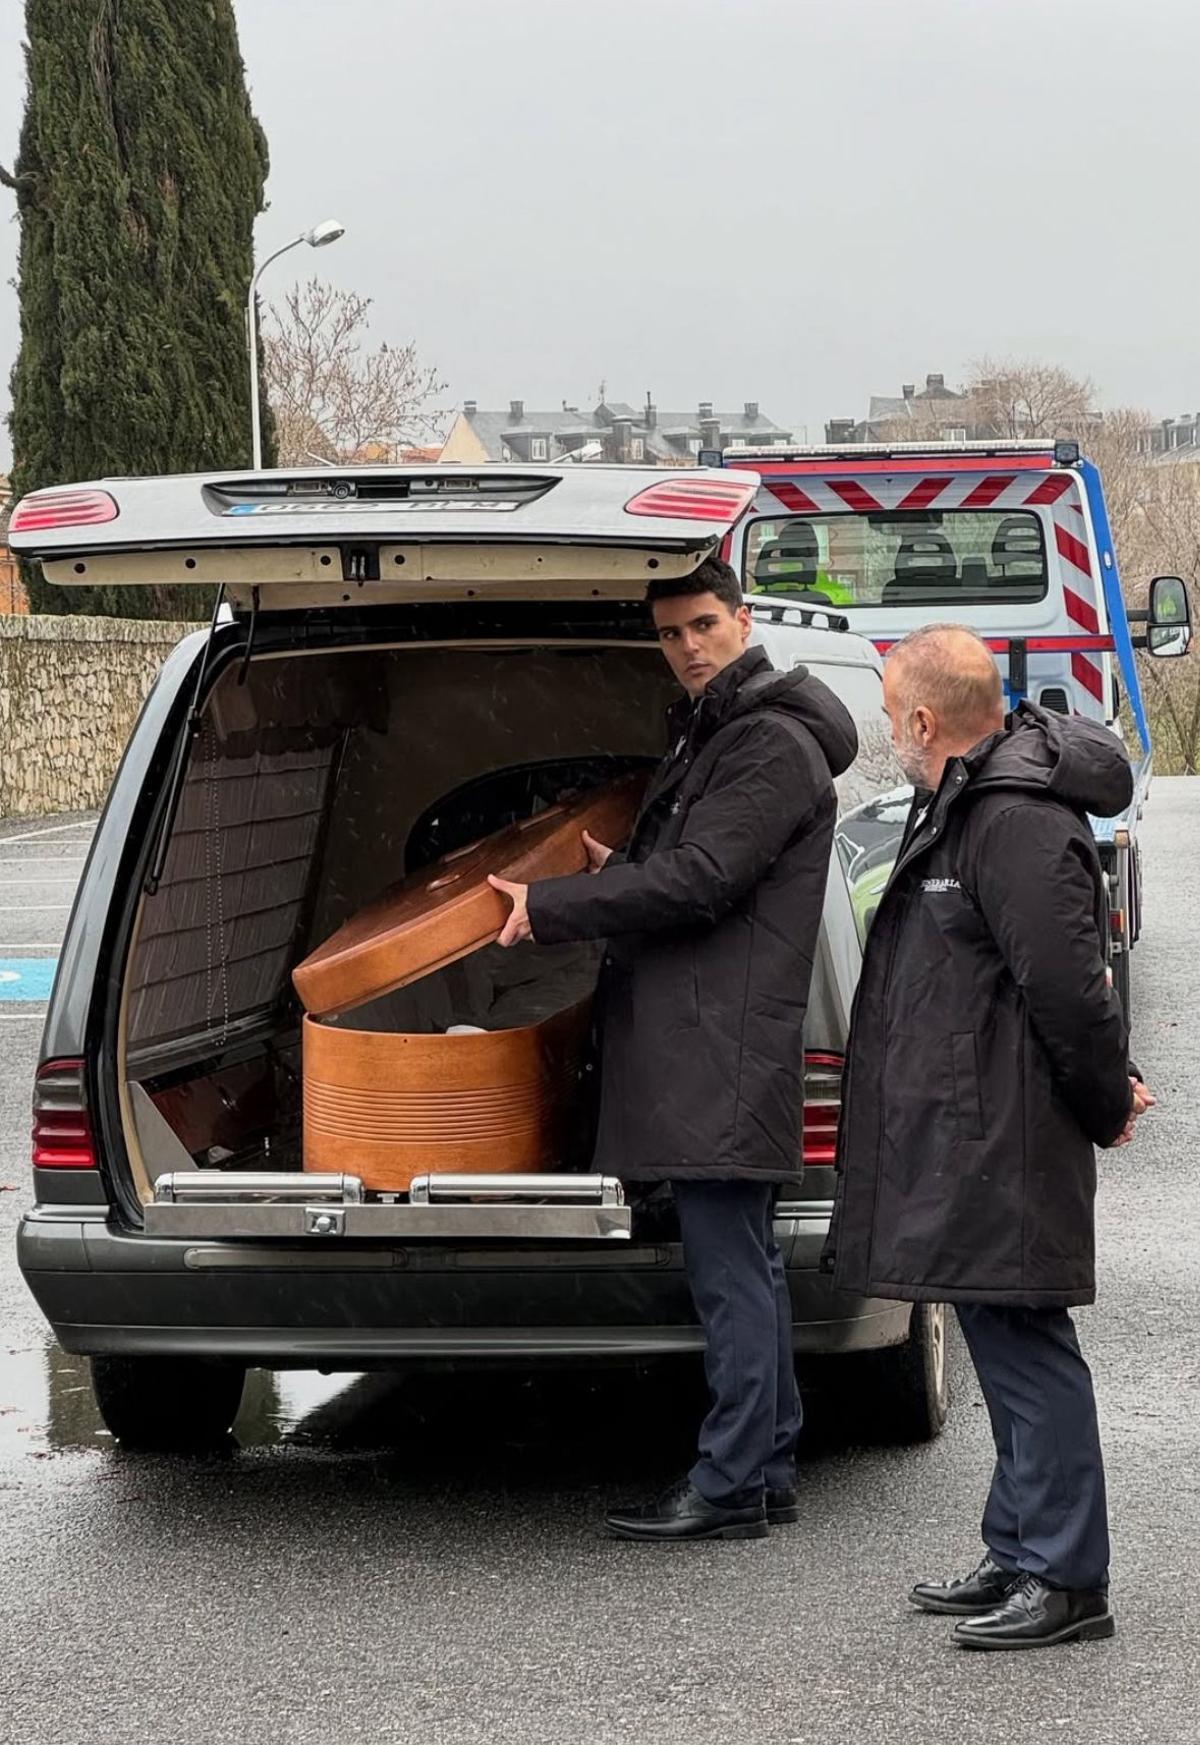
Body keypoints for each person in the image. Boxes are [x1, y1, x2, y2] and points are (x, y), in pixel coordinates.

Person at [488, 554, 858, 1541]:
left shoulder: (769, 742)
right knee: (745, 1265)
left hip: (718, 1045)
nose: (687, 647)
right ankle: (765, 1466)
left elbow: (703, 881)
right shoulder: (736, 730)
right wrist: (625, 868)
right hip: (715, 1038)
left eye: (702, 625)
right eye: (670, 633)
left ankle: (732, 1481)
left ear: (742, 619)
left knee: (729, 1272)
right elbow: (703, 869)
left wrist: (554, 904)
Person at [824, 623, 1153, 1650]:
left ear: (923, 719)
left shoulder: (1008, 818)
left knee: (1028, 1348)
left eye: (888, 711)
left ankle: (1065, 1580)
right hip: (970, 1124)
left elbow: (1070, 985)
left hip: (999, 1132)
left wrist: (1108, 1097)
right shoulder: (970, 796)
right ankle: (1019, 1547)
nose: (888, 725)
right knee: (998, 1338)